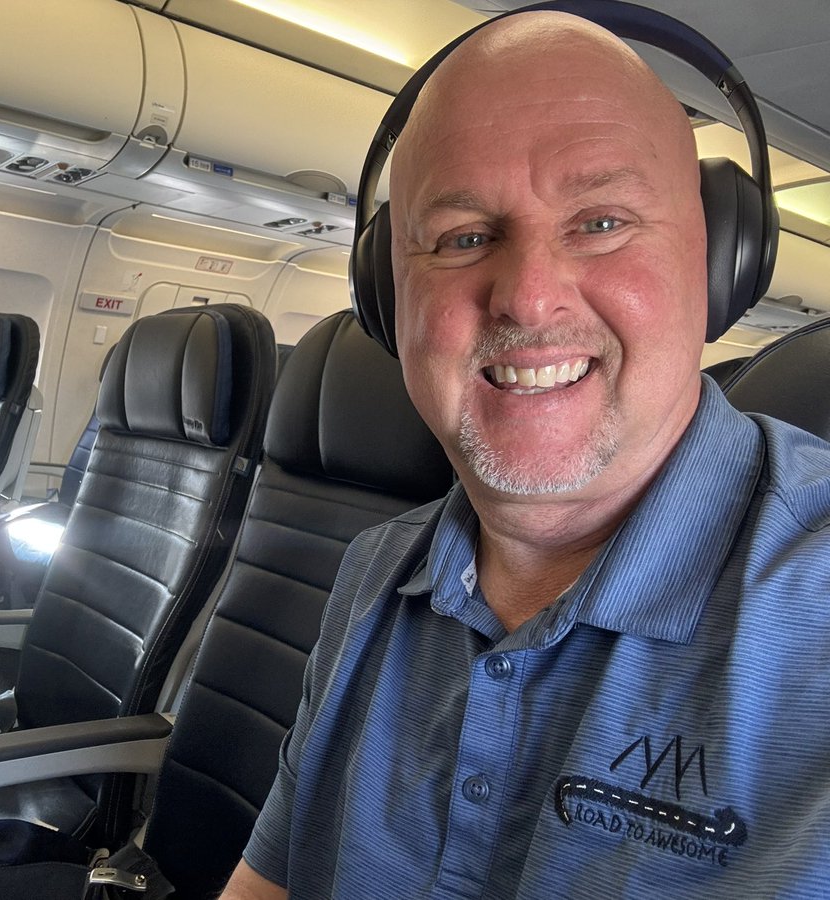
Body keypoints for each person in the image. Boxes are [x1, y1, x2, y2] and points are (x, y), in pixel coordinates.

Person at [222, 10, 830, 899]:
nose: (530, 297)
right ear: (386, 297)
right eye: (464, 237)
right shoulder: (377, 574)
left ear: (720, 266)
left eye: (602, 221)